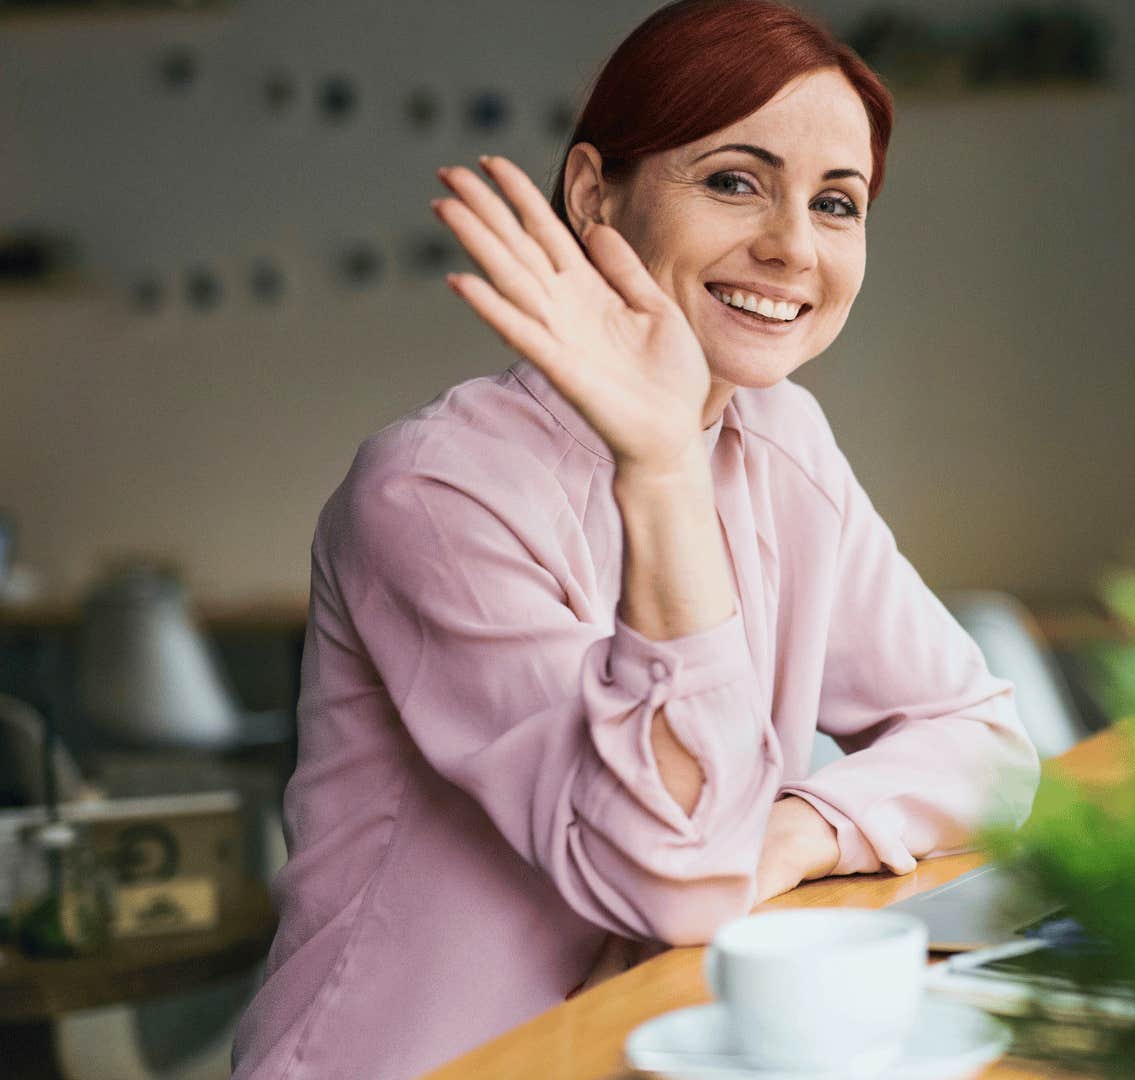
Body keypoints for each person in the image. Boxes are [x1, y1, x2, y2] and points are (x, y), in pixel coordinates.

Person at [229, 2, 1041, 1076]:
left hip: (644, 1042)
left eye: (836, 203)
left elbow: (986, 743)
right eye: (733, 180)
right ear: (593, 194)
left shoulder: (778, 438)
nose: (792, 246)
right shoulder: (432, 490)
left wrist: (796, 830)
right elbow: (679, 876)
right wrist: (659, 467)